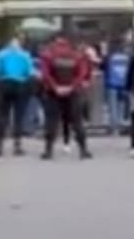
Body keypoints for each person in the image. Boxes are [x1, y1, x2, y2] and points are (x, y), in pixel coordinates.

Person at [38, 32, 93, 161]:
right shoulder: (77, 55)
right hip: (73, 93)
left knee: (51, 121)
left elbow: (45, 74)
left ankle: (48, 150)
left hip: (53, 93)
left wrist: (55, 87)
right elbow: (82, 73)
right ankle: (83, 150)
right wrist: (71, 87)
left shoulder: (48, 54)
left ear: (55, 40)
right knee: (77, 121)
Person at [0, 34, 34, 158]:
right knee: (18, 116)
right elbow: (29, 73)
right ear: (19, 43)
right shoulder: (25, 55)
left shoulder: (0, 55)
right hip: (20, 85)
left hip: (4, 84)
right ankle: (17, 146)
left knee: (2, 116)